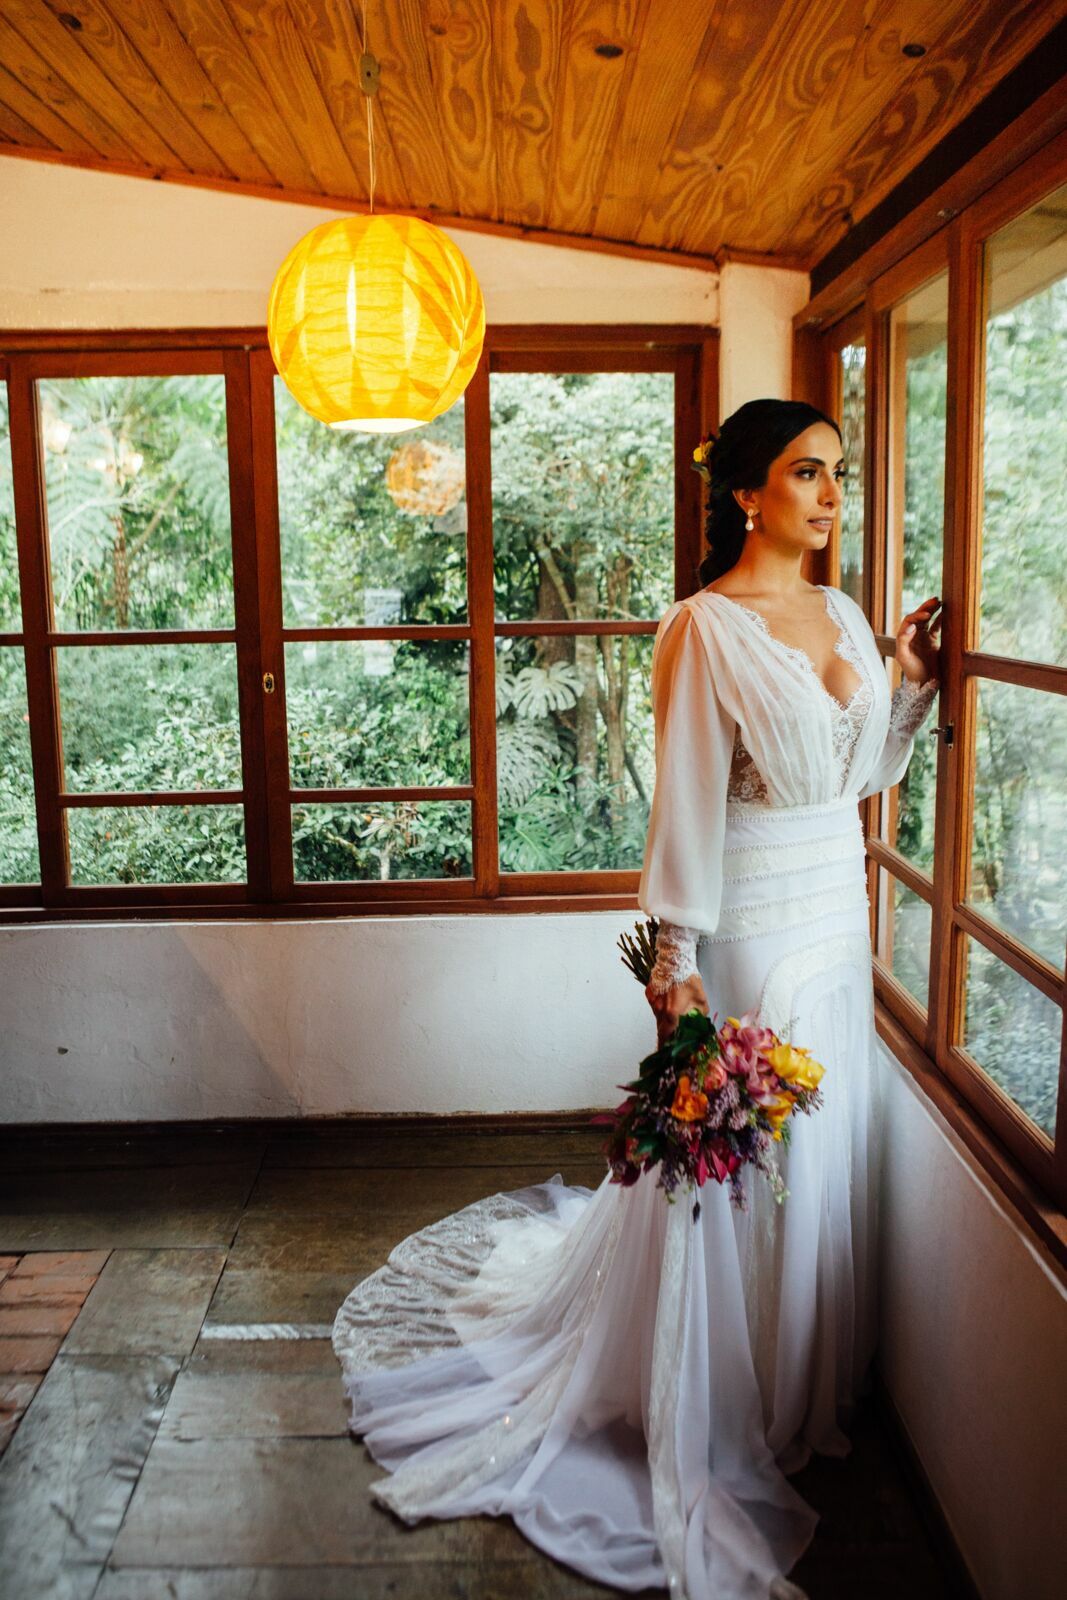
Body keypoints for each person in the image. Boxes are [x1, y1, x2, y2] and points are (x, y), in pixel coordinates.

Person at [332, 398, 942, 1599]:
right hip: (757, 928)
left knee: (819, 1162)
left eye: (836, 474)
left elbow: (861, 776)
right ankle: (718, 1388)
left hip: (838, 917)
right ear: (744, 492)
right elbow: (686, 812)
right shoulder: (698, 628)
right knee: (747, 1162)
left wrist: (909, 681)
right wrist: (675, 968)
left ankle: (792, 1377)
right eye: (805, 474)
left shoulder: (845, 615)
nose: (829, 496)